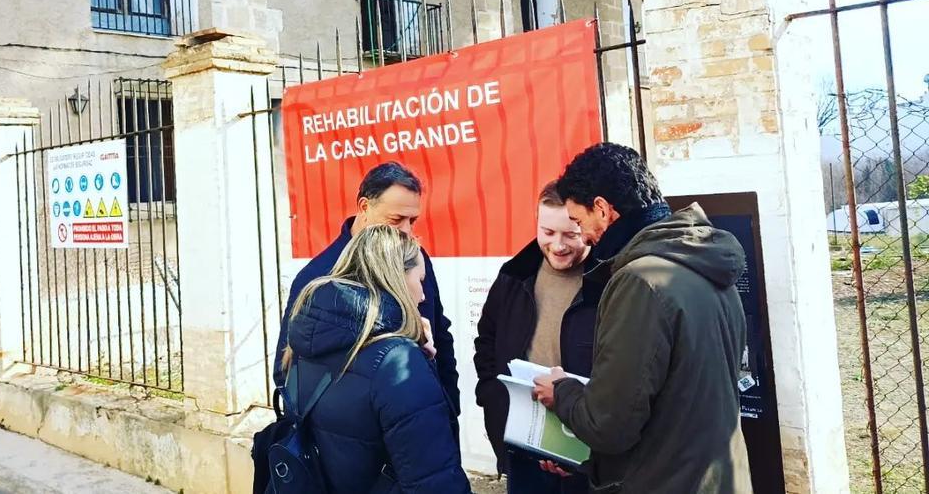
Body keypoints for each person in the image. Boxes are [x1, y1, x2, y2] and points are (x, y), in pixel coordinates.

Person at [533, 143, 753, 494]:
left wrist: (562, 392)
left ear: (603, 210)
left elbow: (610, 424)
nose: (584, 236)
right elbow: (678, 396)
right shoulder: (705, 263)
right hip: (719, 476)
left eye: (578, 221)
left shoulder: (640, 280)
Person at [282, 224, 471, 493]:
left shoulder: (307, 338)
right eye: (420, 280)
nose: (424, 294)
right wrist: (417, 361)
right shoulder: (397, 361)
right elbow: (434, 480)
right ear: (397, 277)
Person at [274, 162, 460, 422]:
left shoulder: (417, 259)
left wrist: (449, 407)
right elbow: (287, 372)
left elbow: (441, 335)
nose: (406, 230)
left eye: (413, 220)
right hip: (357, 444)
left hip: (423, 423)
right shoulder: (318, 276)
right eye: (396, 219)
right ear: (364, 207)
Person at [474, 181, 604, 493]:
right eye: (547, 232)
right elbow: (487, 344)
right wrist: (493, 398)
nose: (557, 245)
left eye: (570, 234)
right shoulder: (513, 275)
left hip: (588, 448)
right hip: (523, 443)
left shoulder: (609, 281)